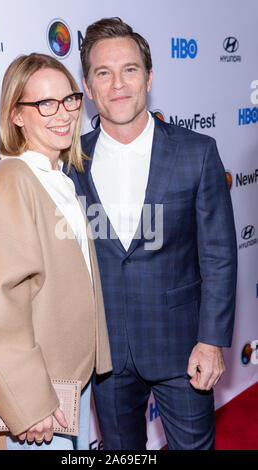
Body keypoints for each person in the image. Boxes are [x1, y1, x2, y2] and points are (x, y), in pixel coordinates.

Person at [66, 18, 237, 450]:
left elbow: (218, 255)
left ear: (150, 77)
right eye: (103, 73)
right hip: (105, 356)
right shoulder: (69, 163)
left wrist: (212, 341)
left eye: (129, 70)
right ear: (88, 86)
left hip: (182, 348)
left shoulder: (196, 153)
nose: (117, 84)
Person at [0, 52, 112, 451]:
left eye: (69, 99)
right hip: (38, 400)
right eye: (44, 103)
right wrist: (29, 402)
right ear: (16, 115)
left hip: (68, 383)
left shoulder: (57, 177)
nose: (63, 113)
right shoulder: (12, 179)